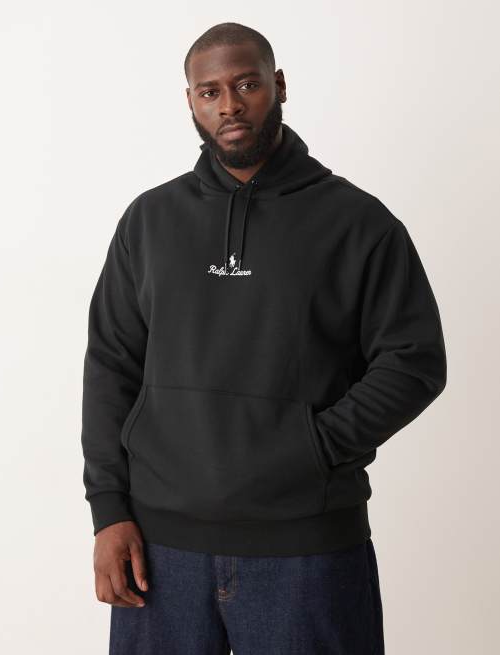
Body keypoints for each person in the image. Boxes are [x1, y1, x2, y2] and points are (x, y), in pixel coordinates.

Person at [81, 22, 447, 655]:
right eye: (209, 92)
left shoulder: (358, 223)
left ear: (278, 85)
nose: (229, 105)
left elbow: (414, 362)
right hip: (161, 551)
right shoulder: (149, 220)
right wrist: (109, 510)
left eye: (246, 84)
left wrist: (314, 446)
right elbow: (112, 364)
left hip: (306, 549)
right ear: (191, 101)